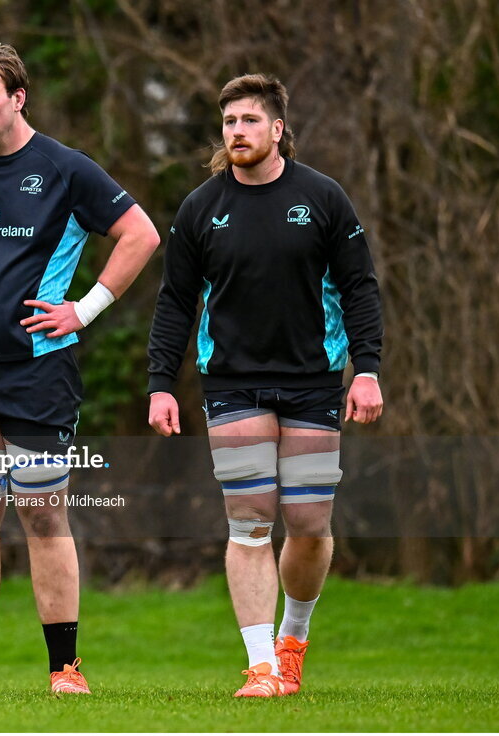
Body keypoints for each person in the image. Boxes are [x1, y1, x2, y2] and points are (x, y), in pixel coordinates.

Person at [0, 41, 160, 696]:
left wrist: (87, 308)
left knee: (43, 515)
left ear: (18, 98)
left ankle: (64, 670)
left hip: (38, 371)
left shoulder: (65, 169)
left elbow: (141, 234)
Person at [147, 73, 383, 697]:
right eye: (228, 122)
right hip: (232, 383)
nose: (237, 132)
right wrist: (161, 383)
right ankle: (260, 667)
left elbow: (360, 287)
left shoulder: (324, 199)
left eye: (249, 120)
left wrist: (367, 369)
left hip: (312, 381)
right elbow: (175, 300)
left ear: (278, 129)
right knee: (249, 521)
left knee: (308, 524)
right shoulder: (201, 207)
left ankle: (292, 639)